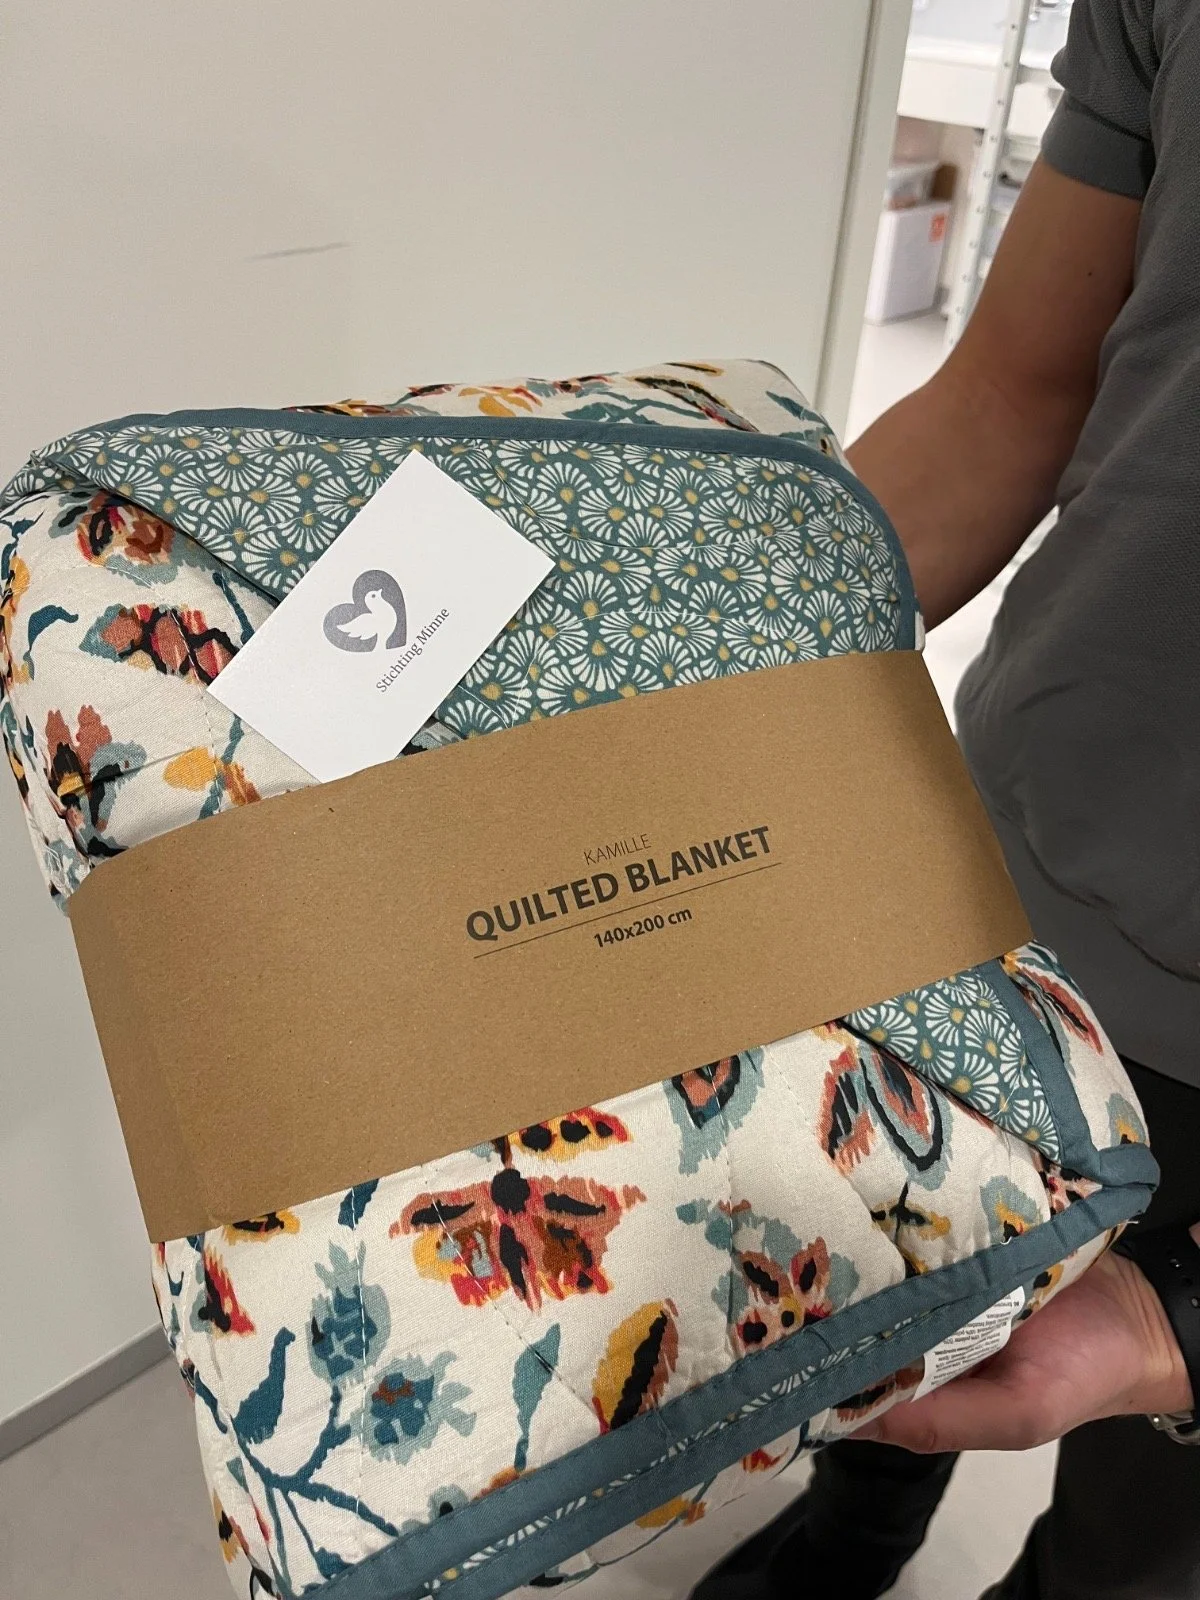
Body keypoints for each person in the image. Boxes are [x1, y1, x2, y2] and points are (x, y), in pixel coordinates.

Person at [692, 1, 1200, 1595]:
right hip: (1010, 868)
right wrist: (681, 676)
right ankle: (853, 1535)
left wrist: (1184, 1329)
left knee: (1132, 1548)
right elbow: (1011, 395)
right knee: (898, 1319)